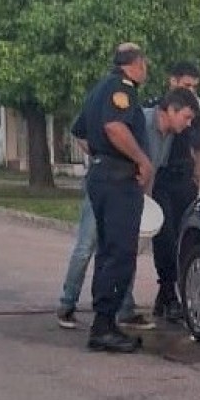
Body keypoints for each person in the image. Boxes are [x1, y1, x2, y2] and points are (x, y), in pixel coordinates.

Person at [71, 42, 152, 353]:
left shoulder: (98, 89)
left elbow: (80, 132)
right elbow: (115, 127)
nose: (145, 69)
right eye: (144, 63)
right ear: (135, 63)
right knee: (120, 252)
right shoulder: (122, 88)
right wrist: (141, 160)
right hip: (118, 180)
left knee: (107, 251)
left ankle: (104, 321)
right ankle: (104, 326)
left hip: (101, 176)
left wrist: (99, 154)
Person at [55, 137, 154, 330]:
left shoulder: (150, 130)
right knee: (86, 246)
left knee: (120, 249)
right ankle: (68, 303)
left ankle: (123, 307)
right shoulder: (113, 114)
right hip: (104, 183)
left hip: (125, 187)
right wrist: (100, 154)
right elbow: (79, 132)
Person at [146, 62, 200, 321]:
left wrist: (199, 177)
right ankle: (168, 293)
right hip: (162, 179)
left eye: (194, 86)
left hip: (185, 181)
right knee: (165, 238)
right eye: (186, 85)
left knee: (182, 239)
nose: (191, 90)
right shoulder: (162, 109)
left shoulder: (193, 114)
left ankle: (167, 295)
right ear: (172, 81)